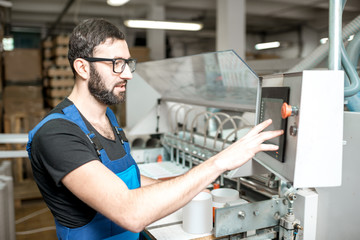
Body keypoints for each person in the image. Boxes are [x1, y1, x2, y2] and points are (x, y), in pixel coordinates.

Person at [27, 18, 283, 240]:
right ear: (83, 67)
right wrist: (218, 163)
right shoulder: (57, 134)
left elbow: (129, 181)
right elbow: (131, 213)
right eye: (116, 63)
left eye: (128, 63)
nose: (127, 74)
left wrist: (189, 186)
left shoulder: (109, 118)